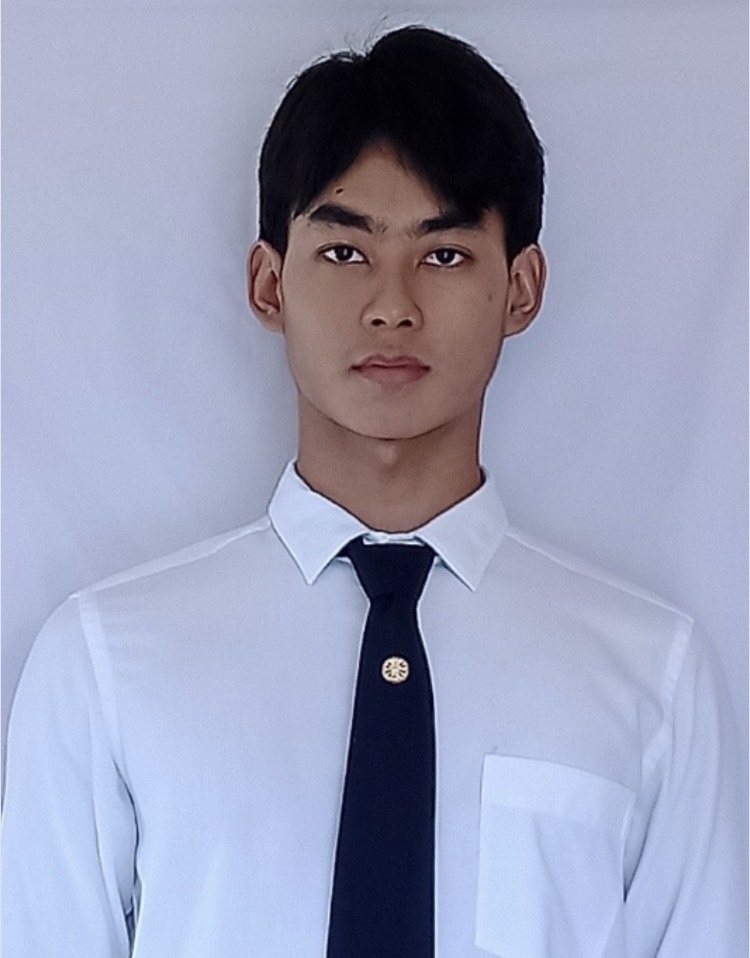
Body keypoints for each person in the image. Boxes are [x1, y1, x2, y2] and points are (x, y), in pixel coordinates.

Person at [2, 24, 744, 958]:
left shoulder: (652, 680)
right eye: (345, 253)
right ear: (270, 284)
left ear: (521, 288)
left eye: (445, 254)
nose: (393, 306)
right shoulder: (106, 665)